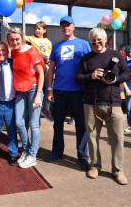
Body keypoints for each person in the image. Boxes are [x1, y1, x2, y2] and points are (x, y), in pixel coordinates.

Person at [76, 27, 131, 185]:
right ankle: (94, 166)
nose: (96, 42)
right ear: (90, 41)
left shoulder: (115, 55)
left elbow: (128, 73)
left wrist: (116, 79)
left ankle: (118, 170)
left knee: (118, 138)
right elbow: (78, 78)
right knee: (92, 137)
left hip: (113, 103)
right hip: (91, 104)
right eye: (93, 40)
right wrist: (91, 76)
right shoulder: (86, 58)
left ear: (105, 40)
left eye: (99, 39)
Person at [46, 16, 90, 170]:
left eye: (68, 25)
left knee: (81, 125)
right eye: (63, 26)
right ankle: (57, 152)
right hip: (59, 91)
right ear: (60, 28)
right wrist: (49, 89)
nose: (65, 28)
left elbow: (90, 66)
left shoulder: (84, 44)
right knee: (58, 124)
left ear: (73, 26)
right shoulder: (56, 46)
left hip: (79, 91)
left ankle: (82, 157)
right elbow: (51, 69)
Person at [7, 27, 44, 168]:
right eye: (12, 40)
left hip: (34, 89)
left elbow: (41, 74)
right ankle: (26, 150)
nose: (15, 42)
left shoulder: (32, 51)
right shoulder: (14, 52)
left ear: (22, 37)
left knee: (34, 125)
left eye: (17, 39)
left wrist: (38, 95)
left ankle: (32, 155)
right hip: (20, 91)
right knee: (19, 122)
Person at [0, 41, 18, 166]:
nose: (1, 53)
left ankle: (13, 153)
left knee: (11, 129)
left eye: (3, 50)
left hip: (11, 102)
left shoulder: (13, 64)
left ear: (7, 51)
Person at [25, 21, 53, 121]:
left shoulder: (48, 41)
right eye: (36, 28)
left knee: (48, 87)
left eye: (39, 28)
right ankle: (40, 107)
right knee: (39, 88)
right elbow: (20, 35)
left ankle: (46, 109)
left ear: (44, 30)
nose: (37, 30)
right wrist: (7, 26)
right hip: (37, 65)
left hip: (46, 65)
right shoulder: (31, 38)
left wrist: (49, 59)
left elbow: (50, 54)